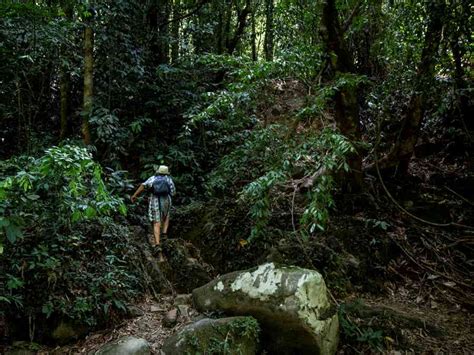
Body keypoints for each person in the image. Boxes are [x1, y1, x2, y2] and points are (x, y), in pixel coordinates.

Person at [131, 165, 175, 261]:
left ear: (158, 171)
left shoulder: (153, 178)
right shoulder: (169, 179)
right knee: (166, 217)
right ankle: (164, 234)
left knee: (156, 222)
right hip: (167, 200)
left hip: (155, 200)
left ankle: (157, 245)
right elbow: (173, 192)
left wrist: (135, 195)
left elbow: (143, 185)